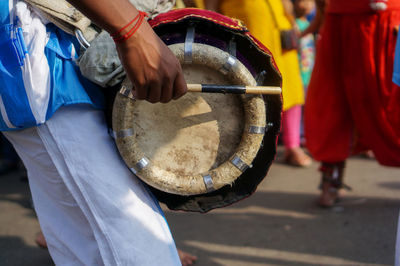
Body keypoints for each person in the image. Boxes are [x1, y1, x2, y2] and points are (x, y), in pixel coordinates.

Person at [1, 0, 190, 264]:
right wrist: (133, 31)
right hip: (40, 58)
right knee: (137, 240)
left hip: (48, 52)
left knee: (84, 243)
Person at [304, 0, 400, 207]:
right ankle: (331, 179)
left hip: (386, 24)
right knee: (333, 102)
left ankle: (331, 180)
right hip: (342, 20)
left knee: (392, 104)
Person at [201, 0, 312, 167]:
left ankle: (292, 146)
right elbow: (211, 6)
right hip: (249, 35)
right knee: (250, 92)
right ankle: (248, 150)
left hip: (279, 31)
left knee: (290, 88)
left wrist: (291, 19)